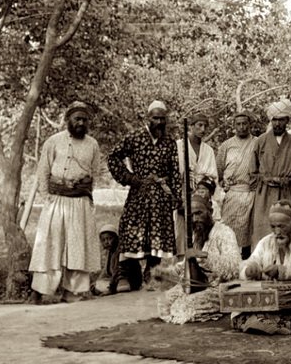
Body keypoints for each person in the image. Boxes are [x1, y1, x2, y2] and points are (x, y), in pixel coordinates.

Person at [28, 101, 102, 303]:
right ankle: (42, 292)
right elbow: (43, 170)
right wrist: (47, 197)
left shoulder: (92, 144)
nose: (80, 122)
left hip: (80, 203)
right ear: (68, 120)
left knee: (77, 246)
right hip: (56, 201)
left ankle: (73, 292)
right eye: (77, 118)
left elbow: (95, 172)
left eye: (84, 119)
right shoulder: (54, 141)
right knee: (50, 245)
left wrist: (84, 190)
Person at [108, 100, 182, 283]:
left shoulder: (170, 142)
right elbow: (113, 158)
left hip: (161, 196)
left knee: (158, 236)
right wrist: (131, 178)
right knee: (132, 230)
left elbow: (174, 171)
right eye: (155, 118)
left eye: (162, 119)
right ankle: (126, 275)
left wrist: (177, 196)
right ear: (148, 118)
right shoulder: (135, 137)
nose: (159, 122)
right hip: (139, 193)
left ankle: (152, 272)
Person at [233, 200, 291, 334]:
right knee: (238, 315)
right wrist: (249, 270)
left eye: (282, 226)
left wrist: (282, 271)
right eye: (273, 227)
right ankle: (273, 323)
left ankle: (270, 322)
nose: (277, 232)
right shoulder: (266, 242)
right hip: (268, 301)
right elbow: (247, 264)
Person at [159, 194, 241, 324]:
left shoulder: (224, 232)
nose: (196, 219)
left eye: (199, 213)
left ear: (210, 212)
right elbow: (188, 265)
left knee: (182, 307)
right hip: (197, 284)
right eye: (192, 215)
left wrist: (204, 256)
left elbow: (235, 267)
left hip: (218, 288)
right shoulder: (197, 233)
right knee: (164, 302)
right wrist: (166, 273)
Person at [251, 98, 291, 248]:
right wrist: (264, 179)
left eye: (281, 120)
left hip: (287, 192)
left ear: (287, 120)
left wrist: (290, 179)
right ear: (271, 120)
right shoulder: (261, 141)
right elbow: (252, 170)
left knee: (286, 227)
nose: (277, 124)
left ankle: (287, 263)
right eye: (275, 120)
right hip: (265, 193)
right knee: (264, 229)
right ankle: (262, 262)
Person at [175, 112, 218, 258]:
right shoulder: (179, 146)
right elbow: (173, 173)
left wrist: (201, 190)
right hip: (183, 192)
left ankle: (202, 253)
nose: (203, 129)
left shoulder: (208, 150)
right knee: (182, 225)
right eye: (199, 125)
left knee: (202, 221)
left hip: (202, 193)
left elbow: (212, 176)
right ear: (191, 127)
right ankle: (181, 258)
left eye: (205, 126)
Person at [217, 111, 257, 259]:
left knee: (248, 229)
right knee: (228, 229)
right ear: (234, 126)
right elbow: (219, 169)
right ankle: (228, 260)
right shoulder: (226, 145)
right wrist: (224, 184)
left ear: (250, 125)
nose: (242, 127)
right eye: (238, 124)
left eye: (244, 123)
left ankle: (246, 259)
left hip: (251, 193)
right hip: (232, 194)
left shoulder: (257, 143)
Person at [93, 225, 142, 295]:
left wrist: (111, 289)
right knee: (96, 286)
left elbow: (118, 271)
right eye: (103, 240)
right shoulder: (110, 252)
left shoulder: (121, 251)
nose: (107, 242)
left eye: (109, 238)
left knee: (102, 287)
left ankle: (116, 287)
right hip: (115, 279)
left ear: (116, 238)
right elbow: (105, 272)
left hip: (129, 280)